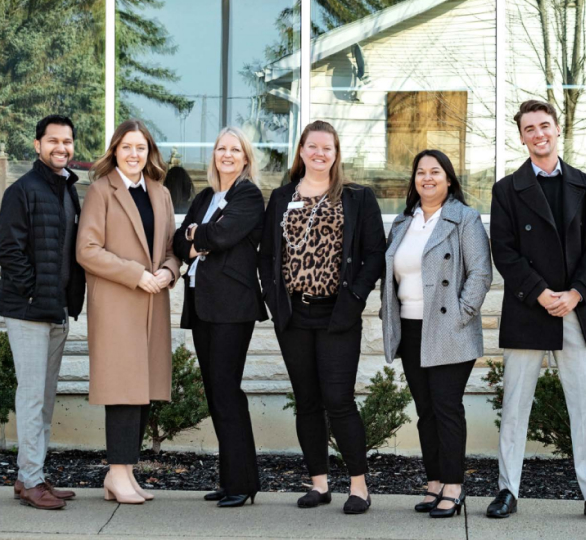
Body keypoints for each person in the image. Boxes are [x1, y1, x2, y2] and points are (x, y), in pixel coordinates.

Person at [260, 120, 385, 514]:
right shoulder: (281, 197)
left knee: (339, 400)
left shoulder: (357, 197)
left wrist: (355, 298)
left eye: (326, 148)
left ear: (336, 153)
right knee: (307, 402)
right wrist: (274, 301)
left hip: (337, 314)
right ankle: (318, 484)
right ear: (301, 151)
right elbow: (267, 256)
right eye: (312, 146)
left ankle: (359, 486)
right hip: (294, 315)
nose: (319, 153)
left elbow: (375, 254)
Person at [487, 100, 586, 518]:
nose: (538, 134)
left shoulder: (584, 183)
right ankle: (508, 490)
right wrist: (541, 292)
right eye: (530, 128)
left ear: (557, 129)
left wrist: (577, 292)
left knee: (583, 406)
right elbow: (503, 252)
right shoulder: (507, 189)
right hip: (530, 308)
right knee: (515, 406)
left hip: (575, 312)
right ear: (522, 135)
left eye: (544, 126)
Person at [382, 149, 492, 518]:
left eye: (435, 171)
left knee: (446, 409)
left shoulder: (464, 218)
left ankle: (454, 486)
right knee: (426, 411)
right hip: (411, 327)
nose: (427, 177)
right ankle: (434, 482)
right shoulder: (403, 222)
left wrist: (461, 314)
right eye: (420, 172)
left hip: (448, 329)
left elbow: (480, 273)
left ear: (448, 179)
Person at [76, 119, 180, 504]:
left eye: (141, 147)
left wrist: (169, 271)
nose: (134, 154)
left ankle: (123, 473)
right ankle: (118, 474)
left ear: (148, 152)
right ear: (115, 151)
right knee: (123, 389)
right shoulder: (101, 191)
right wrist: (137, 274)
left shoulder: (161, 193)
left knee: (143, 391)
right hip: (119, 303)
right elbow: (86, 250)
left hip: (153, 302)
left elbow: (172, 247)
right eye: (127, 147)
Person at [173, 126, 266, 508]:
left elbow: (223, 236)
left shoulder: (248, 195)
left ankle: (244, 483)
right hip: (201, 303)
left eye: (235, 149)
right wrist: (196, 237)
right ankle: (231, 481)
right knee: (215, 394)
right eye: (220, 149)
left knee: (227, 392)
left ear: (245, 158)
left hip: (231, 307)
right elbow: (179, 242)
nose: (226, 154)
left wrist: (200, 236)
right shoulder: (206, 196)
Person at [0, 115, 85, 509]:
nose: (61, 147)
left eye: (67, 141)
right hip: (30, 311)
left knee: (45, 398)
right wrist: (34, 294)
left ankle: (29, 475)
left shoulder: (68, 191)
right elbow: (10, 252)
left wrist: (64, 300)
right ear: (37, 145)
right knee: (33, 397)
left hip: (57, 310)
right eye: (53, 140)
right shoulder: (22, 190)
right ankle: (32, 480)